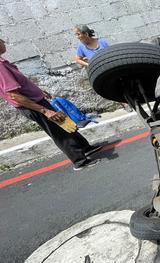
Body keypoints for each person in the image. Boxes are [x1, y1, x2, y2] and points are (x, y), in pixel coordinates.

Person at [0, 38, 101, 170]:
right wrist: (45, 111)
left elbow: (20, 85)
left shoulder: (3, 63)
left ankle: (84, 148)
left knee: (65, 123)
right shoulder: (1, 67)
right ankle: (79, 161)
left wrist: (39, 91)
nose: (4, 42)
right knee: (59, 132)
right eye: (1, 40)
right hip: (33, 106)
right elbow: (14, 95)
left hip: (37, 100)